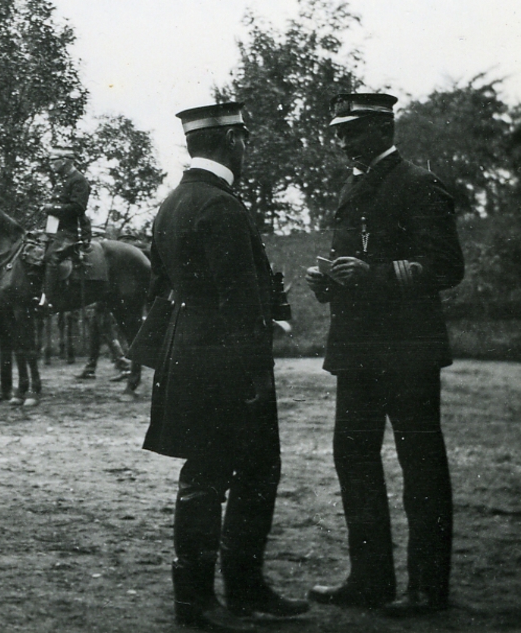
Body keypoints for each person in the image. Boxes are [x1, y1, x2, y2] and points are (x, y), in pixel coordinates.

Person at [141, 102, 308, 632]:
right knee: (249, 472)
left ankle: (227, 592)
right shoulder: (222, 207)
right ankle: (218, 596)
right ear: (232, 142)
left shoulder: (172, 204)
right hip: (229, 367)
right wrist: (259, 370)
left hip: (189, 358)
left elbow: (161, 291)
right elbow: (238, 304)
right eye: (244, 140)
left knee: (209, 474)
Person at [305, 92, 464, 617]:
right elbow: (355, 259)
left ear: (382, 128)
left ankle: (426, 588)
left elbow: (445, 266)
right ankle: (370, 579)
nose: (343, 142)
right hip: (356, 350)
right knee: (353, 457)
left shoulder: (419, 184)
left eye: (352, 132)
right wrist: (327, 281)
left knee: (420, 463)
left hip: (407, 349)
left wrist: (373, 276)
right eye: (340, 133)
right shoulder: (354, 188)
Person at [40, 145, 91, 310]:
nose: (50, 164)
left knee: (52, 258)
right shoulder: (62, 180)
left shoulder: (79, 180)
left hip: (69, 232)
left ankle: (48, 299)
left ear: (64, 161)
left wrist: (51, 208)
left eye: (53, 160)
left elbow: (78, 207)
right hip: (53, 229)